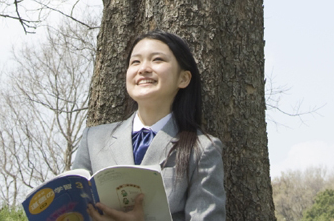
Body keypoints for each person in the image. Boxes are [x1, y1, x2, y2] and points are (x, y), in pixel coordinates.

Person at [73, 30, 226, 221]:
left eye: (157, 60)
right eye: (135, 62)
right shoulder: (93, 139)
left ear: (184, 78)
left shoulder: (202, 149)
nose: (143, 69)